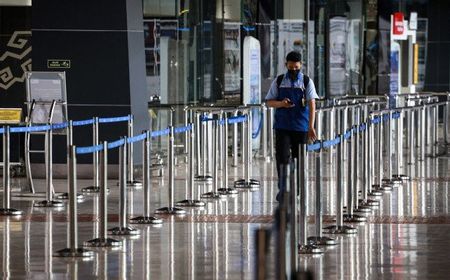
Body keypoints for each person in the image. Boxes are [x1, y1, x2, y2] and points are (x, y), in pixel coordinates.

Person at [265, 51, 319, 202]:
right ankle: (283, 189)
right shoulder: (279, 81)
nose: (294, 70)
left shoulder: (307, 82)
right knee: (282, 158)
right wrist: (281, 104)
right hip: (283, 127)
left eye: (296, 67)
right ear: (286, 65)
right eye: (291, 67)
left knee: (299, 159)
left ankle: (296, 189)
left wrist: (311, 126)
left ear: (301, 65)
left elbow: (312, 104)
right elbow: (269, 102)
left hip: (301, 128)